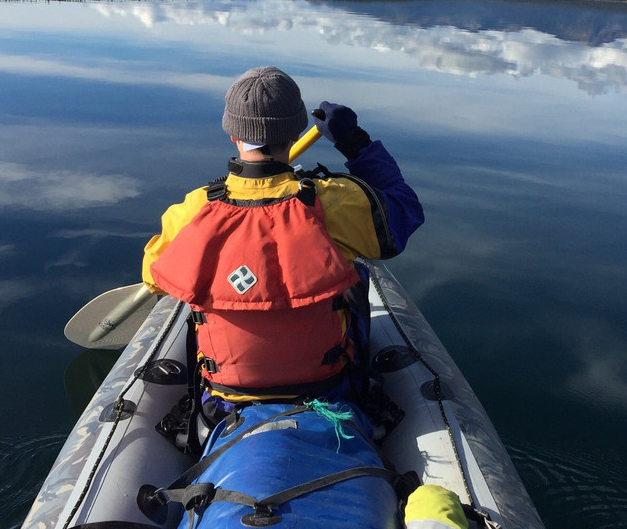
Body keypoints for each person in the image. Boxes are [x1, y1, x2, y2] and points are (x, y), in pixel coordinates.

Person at [141, 65, 424, 411]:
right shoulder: (336, 201)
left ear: (232, 134)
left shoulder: (194, 209)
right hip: (329, 388)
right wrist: (355, 143)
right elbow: (405, 208)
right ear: (295, 133)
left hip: (224, 399)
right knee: (355, 275)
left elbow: (154, 278)